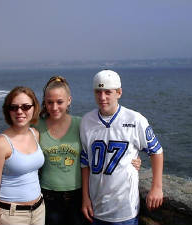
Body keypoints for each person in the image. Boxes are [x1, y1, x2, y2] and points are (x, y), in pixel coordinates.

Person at [34, 76, 141, 225]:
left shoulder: (81, 123)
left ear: (69, 100)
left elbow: (107, 142)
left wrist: (132, 159)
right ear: (44, 102)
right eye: (50, 102)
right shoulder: (37, 127)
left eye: (59, 102)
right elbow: (23, 150)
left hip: (78, 196)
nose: (54, 107)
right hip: (48, 197)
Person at [80, 70, 164, 225]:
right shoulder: (86, 121)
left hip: (125, 211)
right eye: (98, 92)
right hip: (95, 209)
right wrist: (85, 198)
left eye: (108, 92)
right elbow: (85, 162)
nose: (102, 97)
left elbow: (156, 151)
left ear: (119, 93)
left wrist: (157, 187)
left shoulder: (135, 120)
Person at [0, 86, 45, 225]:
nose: (20, 111)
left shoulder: (35, 134)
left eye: (25, 107)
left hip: (39, 210)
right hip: (12, 216)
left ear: (34, 108)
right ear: (8, 111)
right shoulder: (1, 143)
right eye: (14, 107)